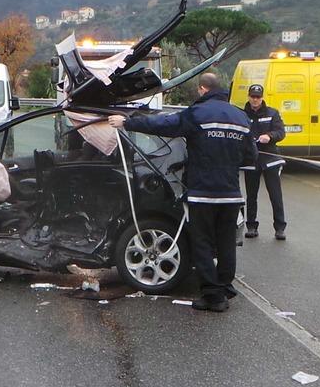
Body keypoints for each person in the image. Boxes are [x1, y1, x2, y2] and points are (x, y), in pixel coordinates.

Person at [109, 72, 252, 312]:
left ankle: (213, 297)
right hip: (230, 194)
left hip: (203, 194)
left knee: (203, 243)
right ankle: (224, 287)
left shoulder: (197, 114)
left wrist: (127, 122)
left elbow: (164, 125)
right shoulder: (241, 117)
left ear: (202, 90)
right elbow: (251, 156)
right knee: (226, 243)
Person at [240, 84, 288, 240]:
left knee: (275, 195)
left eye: (258, 97)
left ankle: (280, 228)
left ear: (262, 98)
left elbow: (281, 132)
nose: (255, 100)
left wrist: (270, 135)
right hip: (251, 160)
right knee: (251, 195)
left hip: (270, 158)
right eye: (253, 97)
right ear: (248, 97)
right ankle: (251, 226)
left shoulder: (272, 113)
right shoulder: (241, 114)